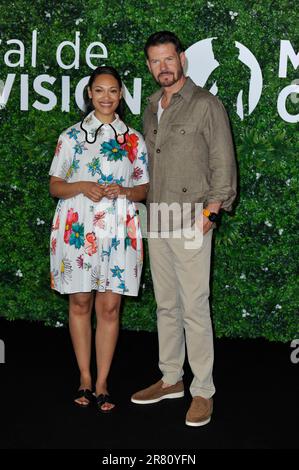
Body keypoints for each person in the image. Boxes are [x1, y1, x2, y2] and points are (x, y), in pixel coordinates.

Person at [131, 32, 237, 426]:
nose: (164, 67)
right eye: (156, 61)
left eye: (169, 59)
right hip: (155, 219)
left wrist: (210, 215)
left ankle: (203, 390)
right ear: (149, 66)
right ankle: (171, 378)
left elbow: (223, 164)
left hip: (193, 219)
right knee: (166, 306)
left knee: (194, 308)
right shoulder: (150, 107)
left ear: (182, 60)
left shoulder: (207, 105)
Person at [49, 66, 149, 413]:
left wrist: (123, 190)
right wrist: (82, 186)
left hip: (119, 228)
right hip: (78, 229)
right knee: (80, 303)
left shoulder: (134, 139)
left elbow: (144, 188)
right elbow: (55, 185)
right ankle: (85, 378)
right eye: (99, 91)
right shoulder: (71, 137)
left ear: (121, 96)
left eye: (113, 91)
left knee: (110, 307)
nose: (106, 97)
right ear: (89, 94)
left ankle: (103, 382)